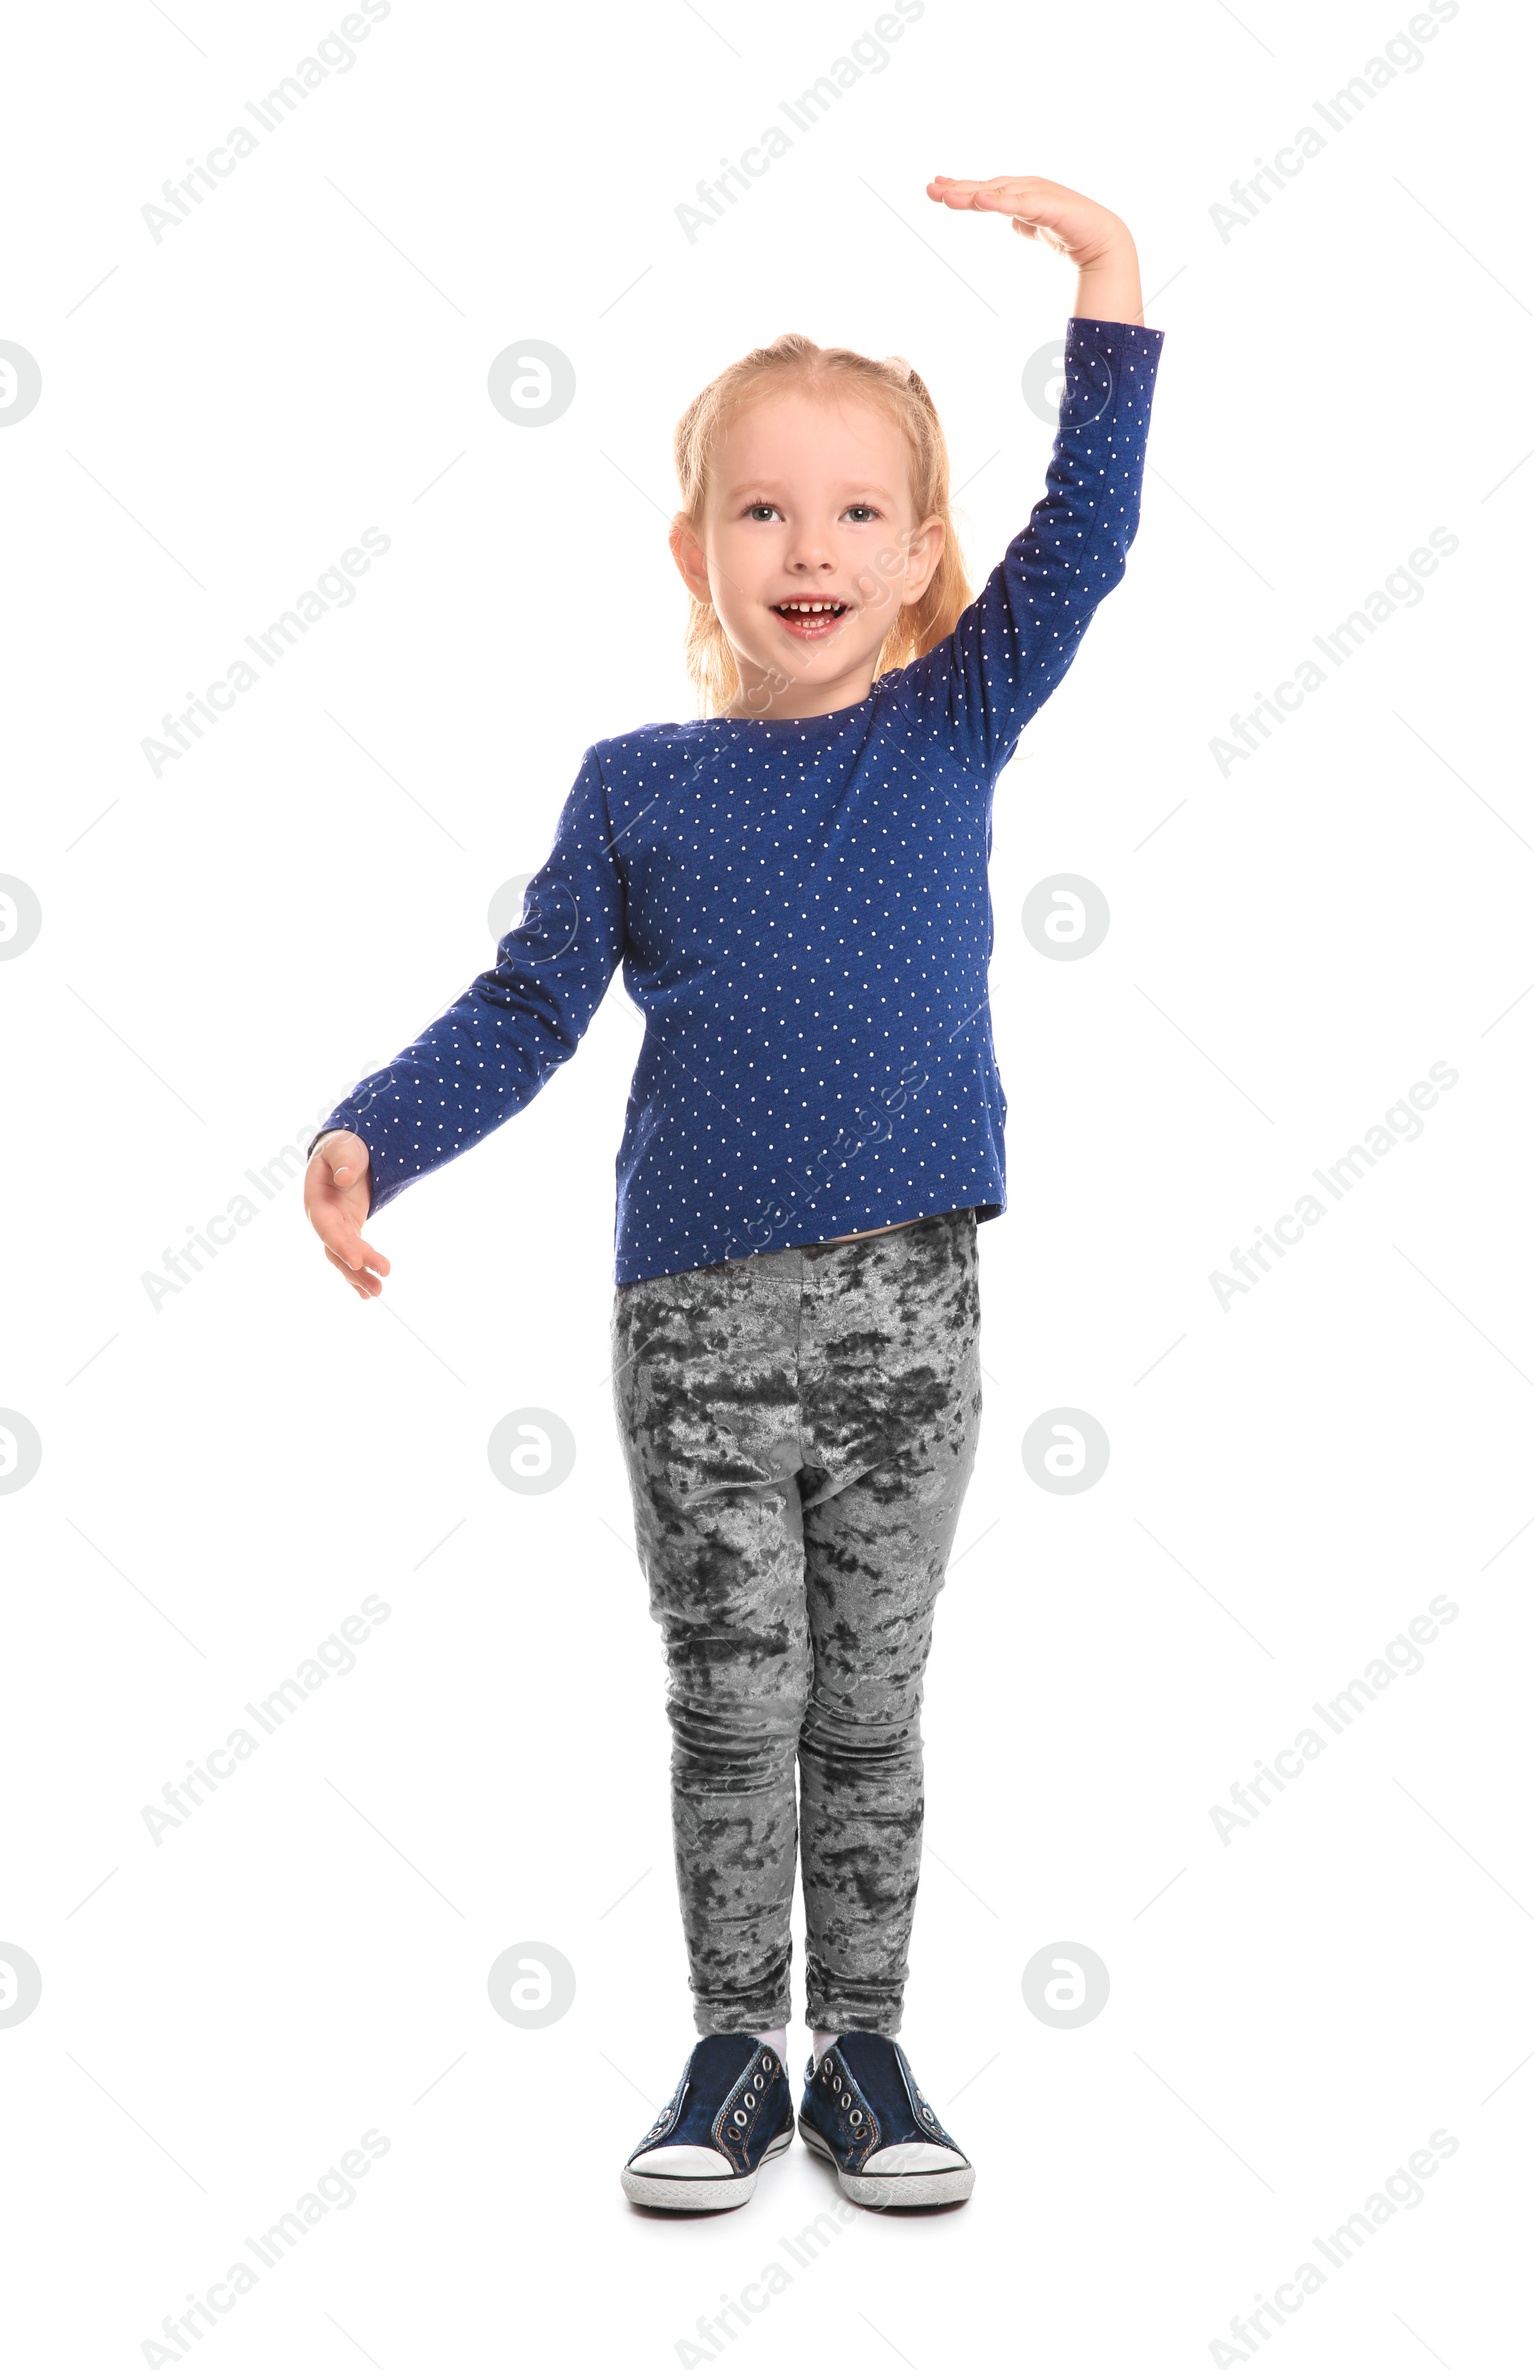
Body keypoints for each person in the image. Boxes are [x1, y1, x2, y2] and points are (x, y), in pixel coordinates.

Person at [305, 172, 1163, 2213]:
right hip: (692, 1322)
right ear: (692, 548)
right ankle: (726, 2052)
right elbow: (527, 1006)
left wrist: (1110, 286)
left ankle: (861, 2047)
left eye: (858, 511)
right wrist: (371, 1130)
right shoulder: (637, 783)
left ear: (921, 553)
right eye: (762, 511)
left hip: (910, 1309)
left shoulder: (955, 715)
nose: (810, 548)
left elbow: (1098, 528)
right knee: (730, 1697)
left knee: (869, 1694)